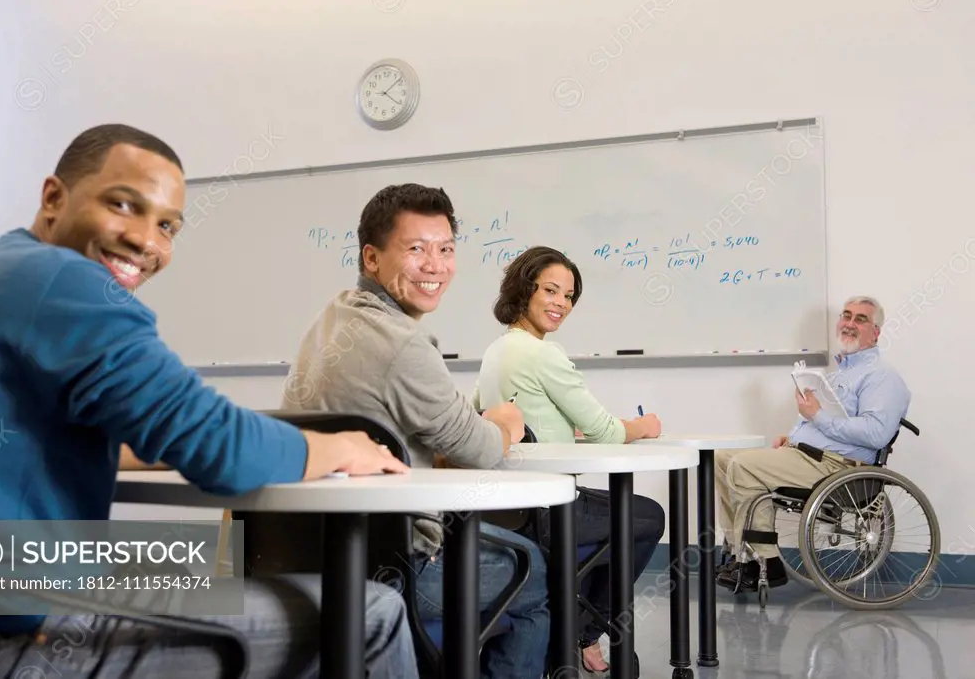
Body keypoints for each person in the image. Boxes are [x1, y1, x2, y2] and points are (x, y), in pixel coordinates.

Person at [0, 124, 418, 679]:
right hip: (25, 619)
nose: (148, 241)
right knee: (372, 609)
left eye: (167, 225)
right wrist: (335, 447)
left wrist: (166, 443)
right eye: (124, 205)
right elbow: (220, 448)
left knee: (202, 560)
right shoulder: (70, 283)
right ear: (54, 197)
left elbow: (55, 434)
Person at [280, 183, 550, 679]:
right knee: (533, 569)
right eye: (415, 249)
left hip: (298, 551)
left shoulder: (331, 318)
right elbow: (482, 452)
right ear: (372, 258)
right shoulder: (403, 343)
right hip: (395, 563)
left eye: (445, 249)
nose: (435, 265)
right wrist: (507, 422)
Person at [473, 245, 667, 674]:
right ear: (525, 289)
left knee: (618, 517)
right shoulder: (545, 353)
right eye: (551, 290)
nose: (561, 303)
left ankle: (574, 625)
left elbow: (488, 417)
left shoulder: (496, 351)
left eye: (569, 295)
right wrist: (646, 426)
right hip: (545, 508)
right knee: (648, 517)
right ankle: (582, 632)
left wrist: (565, 428)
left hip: (503, 507)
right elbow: (607, 431)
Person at [714, 296, 911, 592]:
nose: (849, 323)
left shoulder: (882, 377)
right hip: (807, 456)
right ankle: (740, 552)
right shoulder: (840, 373)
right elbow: (824, 418)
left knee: (744, 466)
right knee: (720, 459)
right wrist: (793, 437)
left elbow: (875, 434)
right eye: (846, 316)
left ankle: (761, 561)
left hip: (838, 468)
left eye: (860, 319)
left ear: (876, 332)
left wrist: (816, 416)